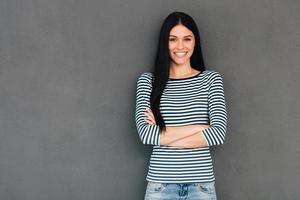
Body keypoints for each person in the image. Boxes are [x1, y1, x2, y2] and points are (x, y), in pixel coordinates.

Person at [135, 11, 227, 200]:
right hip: (160, 187)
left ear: (195, 42)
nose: (180, 46)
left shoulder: (211, 80)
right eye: (172, 39)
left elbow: (218, 134)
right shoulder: (148, 82)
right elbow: (146, 134)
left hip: (201, 187)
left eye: (187, 39)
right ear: (164, 43)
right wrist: (202, 128)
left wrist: (163, 135)